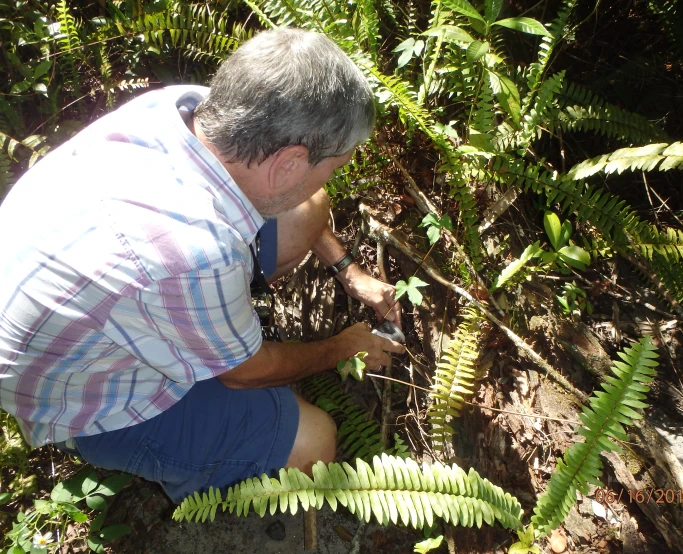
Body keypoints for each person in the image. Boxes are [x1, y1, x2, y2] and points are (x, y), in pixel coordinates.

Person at [0, 28, 404, 503]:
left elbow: (297, 201)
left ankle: (217, 325)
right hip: (86, 398)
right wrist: (343, 347)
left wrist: (349, 272)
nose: (332, 176)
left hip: (91, 305)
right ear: (290, 163)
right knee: (313, 446)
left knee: (306, 210)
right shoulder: (194, 253)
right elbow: (245, 371)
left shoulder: (182, 109)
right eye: (334, 165)